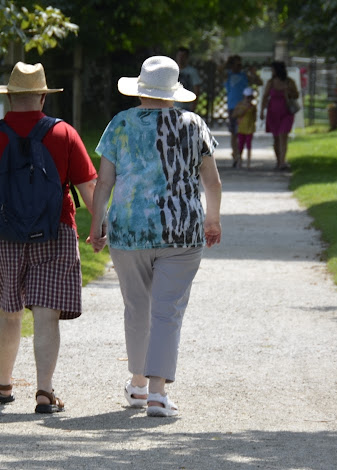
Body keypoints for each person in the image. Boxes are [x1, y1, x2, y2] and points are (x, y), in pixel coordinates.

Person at [0, 61, 98, 414]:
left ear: (10, 98)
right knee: (46, 315)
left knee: (10, 313)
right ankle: (44, 392)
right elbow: (87, 186)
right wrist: (99, 226)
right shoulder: (65, 133)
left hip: (4, 234)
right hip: (56, 230)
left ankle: (3, 383)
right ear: (43, 98)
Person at [88, 56, 222, 417]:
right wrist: (212, 220)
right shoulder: (194, 125)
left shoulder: (120, 124)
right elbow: (211, 181)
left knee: (137, 307)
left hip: (130, 231)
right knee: (167, 311)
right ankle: (158, 393)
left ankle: (137, 384)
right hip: (182, 230)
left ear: (141, 89)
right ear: (173, 92)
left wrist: (97, 224)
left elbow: (104, 182)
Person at [224, 55, 262, 167]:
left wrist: (253, 73)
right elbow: (220, 72)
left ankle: (238, 154)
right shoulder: (228, 75)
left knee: (243, 131)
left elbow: (259, 82)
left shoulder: (245, 75)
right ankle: (236, 155)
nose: (239, 67)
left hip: (245, 108)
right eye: (236, 64)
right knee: (234, 132)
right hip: (233, 107)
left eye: (240, 64)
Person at [261, 60, 299, 170]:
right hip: (273, 113)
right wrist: (262, 112)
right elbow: (265, 96)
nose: (272, 71)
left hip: (287, 112)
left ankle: (282, 162)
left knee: (283, 136)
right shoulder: (271, 82)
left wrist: (288, 91)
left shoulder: (289, 82)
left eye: (273, 69)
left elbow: (296, 95)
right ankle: (278, 161)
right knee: (276, 138)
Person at [231, 87, 257, 170]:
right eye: (247, 97)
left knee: (249, 145)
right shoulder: (239, 105)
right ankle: (239, 161)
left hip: (250, 128)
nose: (249, 99)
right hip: (241, 128)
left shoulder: (253, 107)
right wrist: (240, 112)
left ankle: (248, 162)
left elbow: (254, 117)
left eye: (250, 97)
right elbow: (234, 115)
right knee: (240, 145)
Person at [174, 46, 202, 111]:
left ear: (187, 57)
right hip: (174, 105)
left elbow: (197, 90)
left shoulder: (192, 72)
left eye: (183, 56)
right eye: (179, 55)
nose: (180, 58)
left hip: (187, 106)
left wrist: (193, 106)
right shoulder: (172, 71)